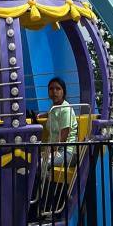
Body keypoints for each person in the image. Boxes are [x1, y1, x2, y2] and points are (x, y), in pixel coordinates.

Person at [33, 77, 79, 217]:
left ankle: (41, 205)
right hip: (55, 150)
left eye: (58, 89)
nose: (54, 92)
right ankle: (42, 203)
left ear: (63, 92)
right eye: (51, 89)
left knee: (40, 164)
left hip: (67, 152)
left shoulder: (65, 108)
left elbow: (62, 139)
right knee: (33, 162)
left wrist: (48, 153)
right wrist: (43, 115)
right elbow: (53, 115)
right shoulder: (54, 108)